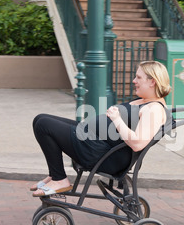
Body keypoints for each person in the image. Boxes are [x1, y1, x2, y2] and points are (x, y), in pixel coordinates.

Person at [31, 61, 171, 197]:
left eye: (139, 77)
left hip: (103, 155)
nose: (134, 81)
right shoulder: (145, 101)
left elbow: (137, 144)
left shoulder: (154, 109)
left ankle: (59, 179)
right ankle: (54, 173)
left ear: (152, 82)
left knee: (44, 125)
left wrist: (116, 119)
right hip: (94, 142)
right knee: (40, 119)